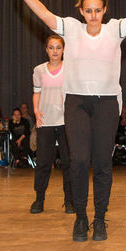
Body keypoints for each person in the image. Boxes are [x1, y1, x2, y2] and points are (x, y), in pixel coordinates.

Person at [13, 0, 126, 241]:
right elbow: (43, 13)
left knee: (103, 162)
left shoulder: (114, 29)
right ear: (81, 11)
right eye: (88, 10)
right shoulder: (71, 28)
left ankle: (100, 219)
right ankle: (81, 218)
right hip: (76, 103)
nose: (93, 15)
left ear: (104, 10)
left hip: (107, 103)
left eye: (98, 10)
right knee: (79, 161)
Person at [30, 34, 73, 214]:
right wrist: (36, 110)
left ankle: (69, 201)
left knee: (68, 163)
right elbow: (37, 92)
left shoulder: (70, 68)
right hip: (45, 121)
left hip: (66, 122)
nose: (55, 51)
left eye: (58, 47)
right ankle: (39, 200)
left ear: (63, 50)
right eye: (51, 47)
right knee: (43, 163)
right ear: (46, 50)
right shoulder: (39, 70)